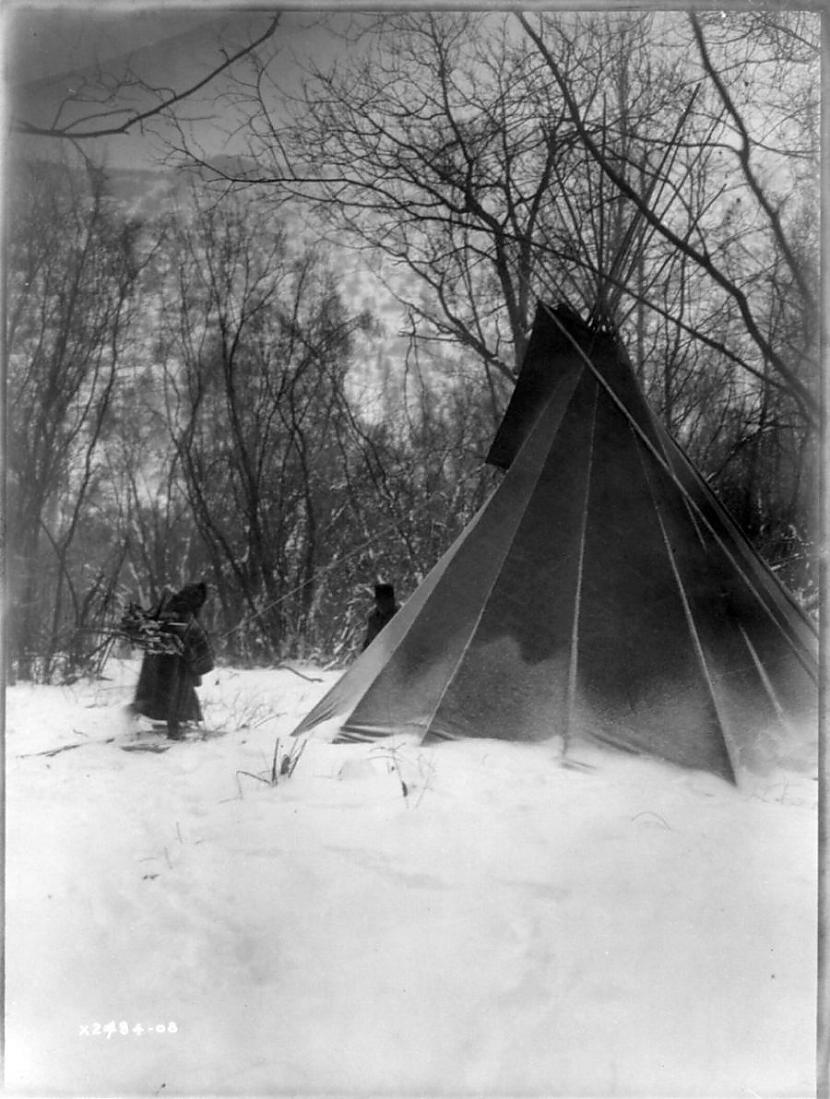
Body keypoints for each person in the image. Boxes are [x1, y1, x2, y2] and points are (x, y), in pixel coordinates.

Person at [131, 581, 213, 739]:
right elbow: (190, 634)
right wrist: (198, 652)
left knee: (172, 694)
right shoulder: (184, 613)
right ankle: (175, 728)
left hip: (164, 661)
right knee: (175, 694)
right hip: (173, 664)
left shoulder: (172, 607)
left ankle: (180, 723)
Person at [361, 582, 399, 652]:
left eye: (385, 600)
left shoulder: (400, 617)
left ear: (392, 600)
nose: (382, 604)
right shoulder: (373, 619)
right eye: (379, 601)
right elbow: (368, 643)